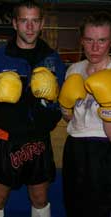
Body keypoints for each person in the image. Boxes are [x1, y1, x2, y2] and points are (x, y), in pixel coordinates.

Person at [0, 1, 66, 217]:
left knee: (40, 198)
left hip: (40, 139)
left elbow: (61, 101)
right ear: (14, 23)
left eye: (35, 21)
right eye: (24, 21)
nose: (29, 27)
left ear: (42, 24)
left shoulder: (53, 59)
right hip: (6, 139)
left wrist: (51, 113)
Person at [59, 11, 111, 217]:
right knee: (74, 207)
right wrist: (65, 105)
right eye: (89, 40)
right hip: (75, 146)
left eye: (102, 40)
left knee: (101, 209)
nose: (95, 47)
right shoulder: (73, 69)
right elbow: (68, 118)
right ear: (81, 41)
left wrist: (108, 105)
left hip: (104, 148)